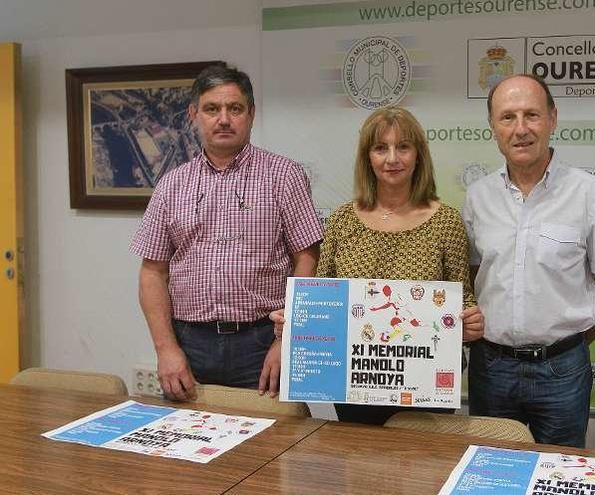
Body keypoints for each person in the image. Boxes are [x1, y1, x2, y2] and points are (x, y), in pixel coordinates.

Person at [273, 106, 484, 425]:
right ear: (367, 157)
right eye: (380, 148)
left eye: (403, 147)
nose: (392, 159)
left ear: (418, 155)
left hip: (423, 385)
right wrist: (296, 324)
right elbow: (323, 297)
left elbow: (462, 298)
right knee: (358, 469)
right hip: (355, 384)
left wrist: (469, 323)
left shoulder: (446, 222)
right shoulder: (342, 221)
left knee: (421, 471)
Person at [131, 65, 323, 401]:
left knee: (270, 447)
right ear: (194, 115)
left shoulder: (285, 176)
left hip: (262, 344)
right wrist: (166, 350)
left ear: (251, 114)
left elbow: (308, 259)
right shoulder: (171, 184)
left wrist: (286, 339)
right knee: (187, 445)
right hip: (190, 346)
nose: (223, 119)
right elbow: (152, 272)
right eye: (211, 109)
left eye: (234, 109)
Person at [462, 74, 595, 448]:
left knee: (560, 473)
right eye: (508, 117)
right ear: (493, 127)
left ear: (552, 119)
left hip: (563, 370)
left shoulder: (589, 194)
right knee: (493, 477)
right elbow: (475, 277)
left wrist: (570, 343)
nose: (520, 129)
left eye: (532, 115)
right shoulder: (477, 197)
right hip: (491, 368)